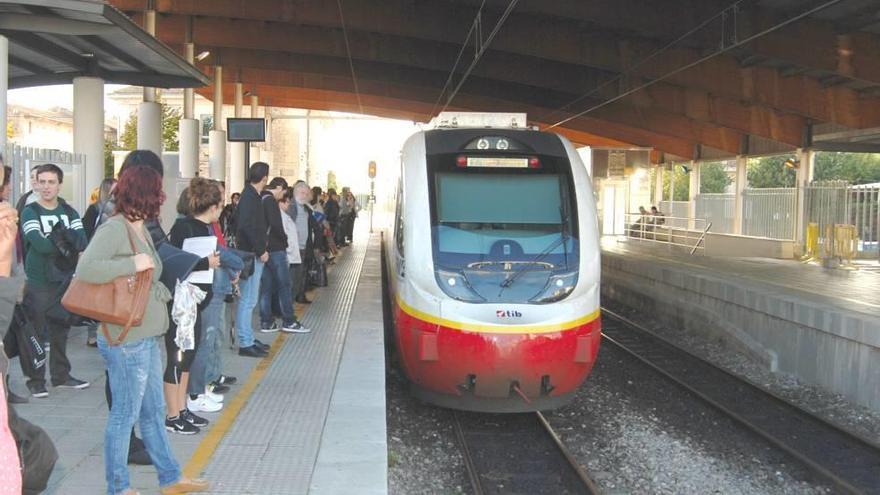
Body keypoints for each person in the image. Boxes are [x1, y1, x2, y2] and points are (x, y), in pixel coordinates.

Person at [75, 164, 209, 495]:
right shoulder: (115, 229)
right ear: (146, 194)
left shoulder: (140, 228)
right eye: (157, 192)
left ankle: (171, 478)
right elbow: (86, 268)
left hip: (143, 336)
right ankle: (118, 487)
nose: (161, 198)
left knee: (152, 413)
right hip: (124, 339)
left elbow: (153, 272)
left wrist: (163, 293)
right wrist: (129, 264)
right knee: (124, 416)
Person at [19, 163, 89, 398]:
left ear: (59, 184)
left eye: (51, 182)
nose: (46, 187)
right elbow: (38, 243)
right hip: (39, 281)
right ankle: (36, 380)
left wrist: (62, 243)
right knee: (36, 333)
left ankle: (61, 376)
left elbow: (81, 240)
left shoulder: (69, 212)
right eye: (42, 182)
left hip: (64, 281)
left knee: (61, 330)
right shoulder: (30, 212)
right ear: (36, 183)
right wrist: (64, 244)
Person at [164, 178, 223, 433]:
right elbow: (175, 262)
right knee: (177, 358)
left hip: (197, 302)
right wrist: (204, 263)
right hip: (182, 305)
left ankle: (183, 407)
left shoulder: (203, 228)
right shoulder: (183, 228)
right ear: (212, 207)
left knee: (188, 357)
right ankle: (172, 414)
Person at [260, 177, 309, 334]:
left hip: (266, 250)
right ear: (280, 188)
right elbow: (276, 226)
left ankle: (266, 322)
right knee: (284, 285)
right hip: (276, 251)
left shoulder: (259, 199)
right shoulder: (270, 202)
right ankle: (289, 321)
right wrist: (285, 241)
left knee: (267, 287)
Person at [234, 162, 272, 358]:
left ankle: (247, 336)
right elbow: (248, 227)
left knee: (250, 300)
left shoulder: (250, 195)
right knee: (248, 300)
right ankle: (245, 342)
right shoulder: (250, 197)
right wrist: (261, 250)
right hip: (250, 254)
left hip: (251, 252)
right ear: (264, 178)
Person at [82, 178, 117, 347]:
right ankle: (94, 334)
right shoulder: (96, 209)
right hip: (100, 257)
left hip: (108, 257)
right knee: (97, 298)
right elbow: (86, 231)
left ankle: (100, 332)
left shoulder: (118, 211)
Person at [288, 181, 315, 304]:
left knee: (299, 276)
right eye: (302, 193)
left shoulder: (305, 207)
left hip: (303, 247)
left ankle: (294, 300)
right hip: (294, 248)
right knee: (292, 278)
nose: (305, 195)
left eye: (306, 193)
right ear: (296, 193)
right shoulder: (291, 206)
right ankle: (288, 304)